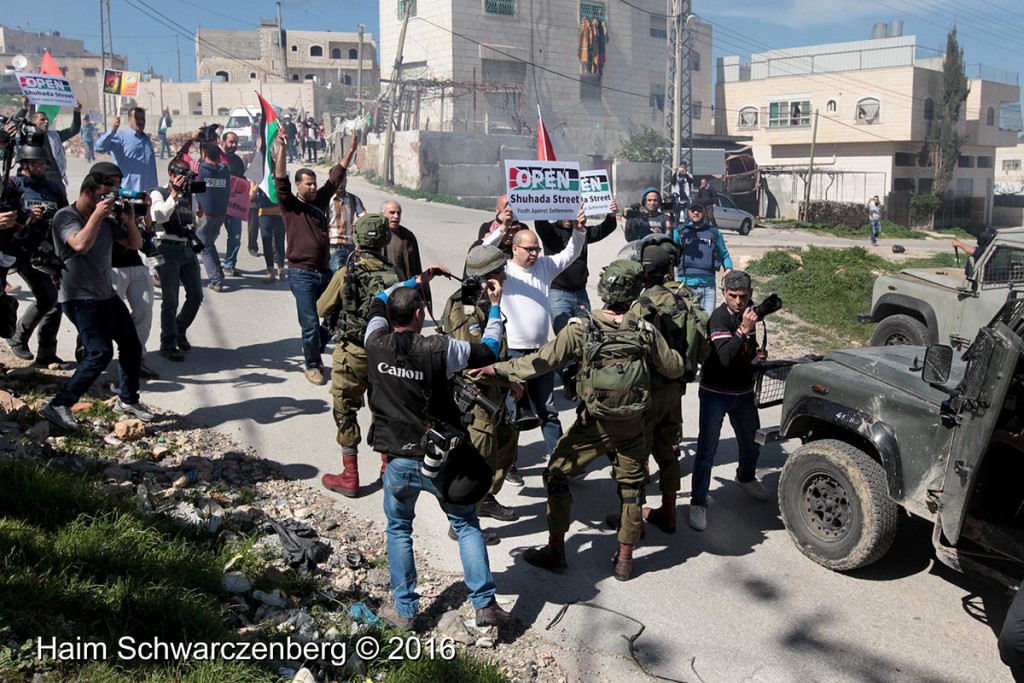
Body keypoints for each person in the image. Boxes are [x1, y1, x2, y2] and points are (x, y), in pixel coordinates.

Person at [473, 260, 685, 581]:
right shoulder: (644, 330)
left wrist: (498, 371)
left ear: (603, 291)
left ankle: (556, 550)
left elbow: (540, 362)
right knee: (631, 487)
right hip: (632, 423)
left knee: (557, 474)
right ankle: (625, 560)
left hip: (594, 424)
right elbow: (674, 367)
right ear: (633, 293)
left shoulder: (581, 328)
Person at [366, 269, 515, 632]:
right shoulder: (440, 349)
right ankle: (484, 604)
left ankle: (404, 611)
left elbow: (377, 302)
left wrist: (411, 282)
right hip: (440, 457)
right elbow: (490, 349)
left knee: (399, 528)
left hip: (397, 460)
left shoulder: (374, 340)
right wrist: (495, 308)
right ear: (419, 315)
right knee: (465, 525)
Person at [40, 161, 154, 432]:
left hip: (105, 295)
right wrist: (97, 216)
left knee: (131, 345)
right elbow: (79, 244)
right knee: (100, 352)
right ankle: (58, 404)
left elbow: (135, 244)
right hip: (78, 298)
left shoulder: (105, 220)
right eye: (104, 195)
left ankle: (128, 400)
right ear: (89, 192)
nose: (108, 201)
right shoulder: (65, 217)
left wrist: (127, 219)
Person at [612, 236, 708, 534]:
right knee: (668, 451)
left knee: (636, 454)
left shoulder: (642, 305)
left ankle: (633, 519)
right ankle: (668, 512)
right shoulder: (685, 298)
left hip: (646, 391)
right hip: (674, 390)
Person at [481, 214, 586, 467]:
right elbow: (483, 251)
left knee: (548, 410)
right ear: (514, 249)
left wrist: (580, 231)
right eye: (529, 249)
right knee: (511, 413)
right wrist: (501, 228)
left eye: (537, 248)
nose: (535, 253)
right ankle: (509, 465)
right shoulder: (502, 270)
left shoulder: (544, 266)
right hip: (513, 354)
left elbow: (570, 253)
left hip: (541, 353)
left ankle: (560, 461)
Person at [317, 214, 399, 497]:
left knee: (345, 409)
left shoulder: (347, 272)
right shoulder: (395, 275)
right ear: (385, 240)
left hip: (352, 352)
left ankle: (350, 476)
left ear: (358, 239)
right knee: (384, 410)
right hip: (385, 353)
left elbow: (321, 307)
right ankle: (388, 471)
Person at [441, 245, 519, 528]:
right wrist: (506, 377)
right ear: (488, 276)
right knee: (480, 458)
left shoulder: (484, 300)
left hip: (494, 391)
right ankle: (462, 520)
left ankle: (483, 497)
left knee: (506, 444)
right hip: (476, 397)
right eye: (501, 272)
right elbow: (473, 363)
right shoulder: (469, 308)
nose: (506, 277)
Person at [689, 270, 771, 533]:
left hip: (743, 394)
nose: (738, 301)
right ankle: (698, 502)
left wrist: (757, 353)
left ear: (750, 294)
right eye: (733, 296)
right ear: (723, 293)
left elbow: (744, 353)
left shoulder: (748, 316)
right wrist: (743, 331)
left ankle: (745, 477)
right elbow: (725, 357)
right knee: (707, 450)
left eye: (743, 296)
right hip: (716, 393)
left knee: (752, 443)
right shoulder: (719, 318)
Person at [274, 144, 345, 385]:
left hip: (324, 273)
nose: (313, 187)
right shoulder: (289, 205)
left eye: (315, 183)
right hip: (301, 274)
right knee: (310, 323)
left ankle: (316, 348)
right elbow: (280, 179)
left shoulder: (320, 200)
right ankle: (312, 364)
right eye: (308, 184)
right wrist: (284, 149)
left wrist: (351, 150)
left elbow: (335, 177)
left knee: (337, 313)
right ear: (298, 186)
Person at [536, 199, 619, 398]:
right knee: (566, 338)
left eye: (572, 212)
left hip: (580, 293)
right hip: (558, 294)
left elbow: (605, 229)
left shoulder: (582, 231)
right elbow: (540, 224)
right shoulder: (553, 233)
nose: (568, 217)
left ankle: (578, 379)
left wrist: (611, 214)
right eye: (564, 212)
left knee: (585, 338)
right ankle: (567, 377)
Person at [5, 142, 70, 367]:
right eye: (35, 163)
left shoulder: (53, 189)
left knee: (58, 300)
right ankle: (18, 337)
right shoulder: (12, 185)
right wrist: (27, 216)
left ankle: (46, 352)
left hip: (49, 250)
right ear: (23, 164)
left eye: (43, 163)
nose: (40, 167)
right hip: (22, 251)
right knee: (47, 296)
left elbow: (65, 215)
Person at [149, 160, 205, 362]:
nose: (185, 179)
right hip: (167, 248)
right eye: (181, 174)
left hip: (187, 248)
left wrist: (200, 216)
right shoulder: (158, 193)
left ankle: (179, 329)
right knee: (170, 299)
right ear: (171, 175)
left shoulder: (190, 194)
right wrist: (173, 195)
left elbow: (195, 223)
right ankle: (168, 343)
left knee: (196, 295)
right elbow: (158, 216)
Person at [674, 203, 732, 313]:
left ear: (704, 212)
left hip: (708, 287)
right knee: (687, 324)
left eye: (699, 210)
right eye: (693, 210)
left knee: (707, 323)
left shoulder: (714, 233)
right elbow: (669, 248)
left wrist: (728, 268)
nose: (696, 212)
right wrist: (668, 228)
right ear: (688, 212)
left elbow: (724, 254)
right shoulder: (680, 232)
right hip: (685, 285)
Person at [193, 142, 232, 291]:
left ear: (203, 155)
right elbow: (225, 160)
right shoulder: (225, 169)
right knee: (209, 245)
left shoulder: (200, 169)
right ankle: (219, 275)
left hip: (205, 216)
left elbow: (182, 156)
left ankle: (216, 281)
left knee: (205, 248)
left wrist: (193, 140)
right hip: (221, 215)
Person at [93, 107, 158, 193]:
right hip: (128, 193)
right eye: (137, 118)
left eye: (142, 118)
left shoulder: (147, 140)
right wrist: (112, 130)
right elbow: (99, 147)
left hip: (148, 194)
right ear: (129, 119)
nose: (141, 121)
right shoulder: (121, 137)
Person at [382, 200, 429, 309]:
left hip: (402, 288)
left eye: (399, 213)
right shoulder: (374, 235)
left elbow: (417, 266)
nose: (396, 216)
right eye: (392, 212)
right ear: (382, 214)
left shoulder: (407, 236)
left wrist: (422, 292)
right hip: (381, 287)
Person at [327, 133, 364, 273]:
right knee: (336, 280)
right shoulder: (327, 200)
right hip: (333, 247)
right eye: (338, 181)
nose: (341, 184)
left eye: (343, 180)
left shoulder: (354, 200)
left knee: (350, 280)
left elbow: (363, 218)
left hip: (350, 246)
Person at [220, 132, 247, 277]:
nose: (234, 145)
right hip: (216, 205)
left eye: (236, 142)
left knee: (235, 236)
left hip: (233, 205)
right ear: (223, 141)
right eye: (231, 142)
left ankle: (229, 265)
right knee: (210, 236)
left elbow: (241, 180)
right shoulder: (214, 157)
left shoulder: (237, 160)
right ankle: (212, 265)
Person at [252, 184, 285, 283]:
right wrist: (257, 185)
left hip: (279, 213)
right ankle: (270, 271)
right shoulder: (259, 177)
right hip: (264, 213)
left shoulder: (281, 176)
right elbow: (250, 196)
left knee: (280, 242)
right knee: (267, 241)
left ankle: (281, 270)